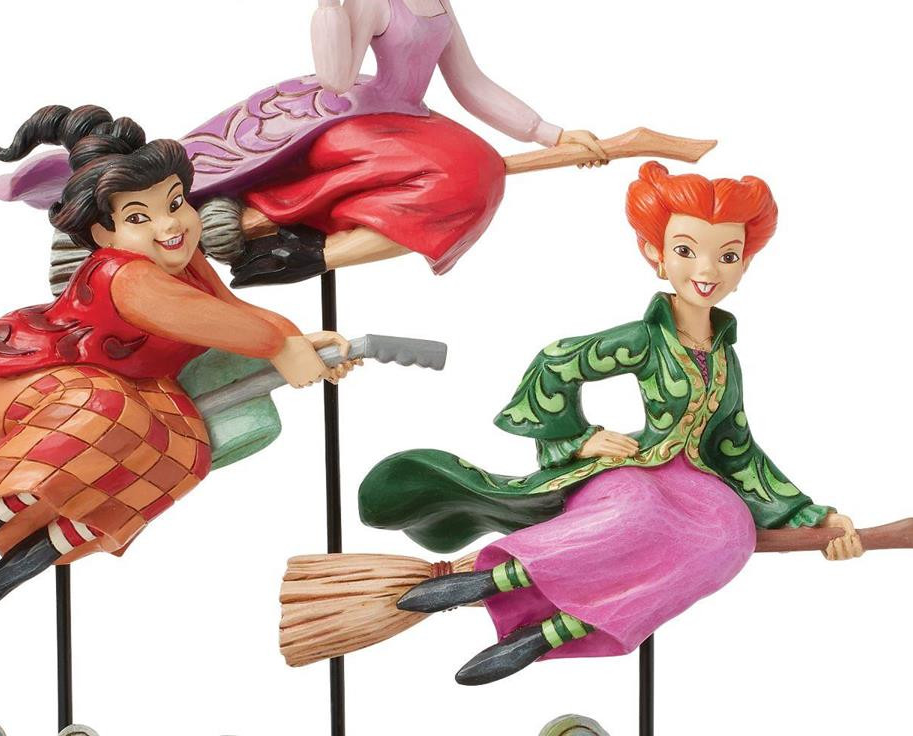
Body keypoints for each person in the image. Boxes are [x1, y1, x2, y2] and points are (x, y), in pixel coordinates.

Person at [357, 161, 863, 684]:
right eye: (686, 250)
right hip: (637, 469)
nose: (707, 269)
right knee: (635, 513)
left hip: (697, 484)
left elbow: (735, 443)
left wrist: (809, 515)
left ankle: (548, 634)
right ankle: (494, 578)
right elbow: (557, 362)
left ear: (744, 265)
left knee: (729, 540)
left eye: (727, 256)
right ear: (655, 254)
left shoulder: (724, 356)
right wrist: (578, 440)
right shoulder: (644, 339)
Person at [0, 105, 352, 605]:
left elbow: (232, 308)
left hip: (127, 382)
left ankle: (52, 540)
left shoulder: (185, 260)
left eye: (175, 203)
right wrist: (281, 346)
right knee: (108, 411)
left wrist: (298, 340)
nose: (170, 226)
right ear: (103, 232)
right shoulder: (125, 275)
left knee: (185, 451)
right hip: (27, 381)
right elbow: (219, 324)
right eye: (139, 217)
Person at [158, 0, 613, 283]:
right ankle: (303, 250)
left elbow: (469, 82)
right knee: (469, 170)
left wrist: (552, 134)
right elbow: (337, 79)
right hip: (356, 126)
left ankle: (307, 253)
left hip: (408, 123)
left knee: (475, 173)